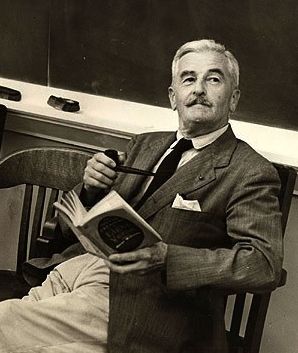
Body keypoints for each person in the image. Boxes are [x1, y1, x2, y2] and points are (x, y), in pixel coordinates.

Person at [0, 39, 282, 353]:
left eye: (213, 79)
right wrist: (92, 190)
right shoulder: (144, 144)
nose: (199, 89)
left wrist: (168, 259)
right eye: (188, 79)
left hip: (143, 308)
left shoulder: (250, 170)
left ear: (233, 99)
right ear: (174, 98)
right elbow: (75, 226)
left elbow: (264, 265)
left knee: (4, 324)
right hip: (73, 270)